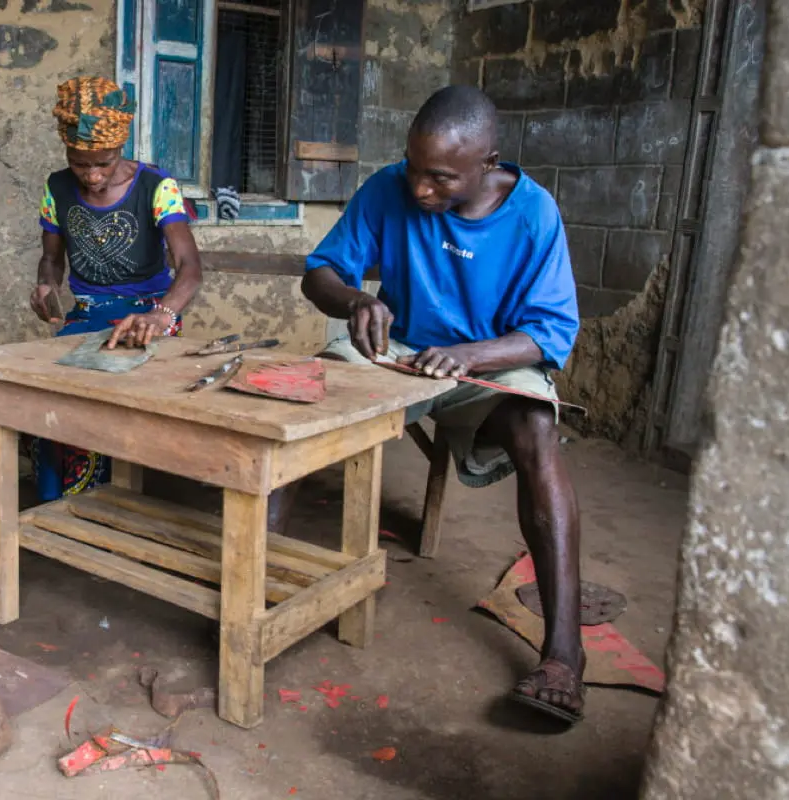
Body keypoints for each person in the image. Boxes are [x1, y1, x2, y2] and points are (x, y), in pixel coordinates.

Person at [298, 85, 586, 725]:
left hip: (490, 362)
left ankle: (564, 653)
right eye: (415, 168)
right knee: (304, 408)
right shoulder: (389, 186)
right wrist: (355, 302)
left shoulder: (534, 214)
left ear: (488, 161)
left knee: (537, 424)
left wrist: (474, 356)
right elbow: (319, 271)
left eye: (442, 178)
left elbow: (549, 333)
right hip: (398, 354)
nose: (422, 190)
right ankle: (257, 583)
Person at [28, 76, 204, 500]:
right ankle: (56, 508)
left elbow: (190, 266)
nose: (91, 175)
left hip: (146, 315)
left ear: (119, 148)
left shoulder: (156, 187)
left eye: (103, 163)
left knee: (102, 391)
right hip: (87, 315)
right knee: (45, 393)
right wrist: (45, 287)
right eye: (79, 162)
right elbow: (52, 259)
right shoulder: (56, 188)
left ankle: (103, 502)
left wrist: (162, 315)